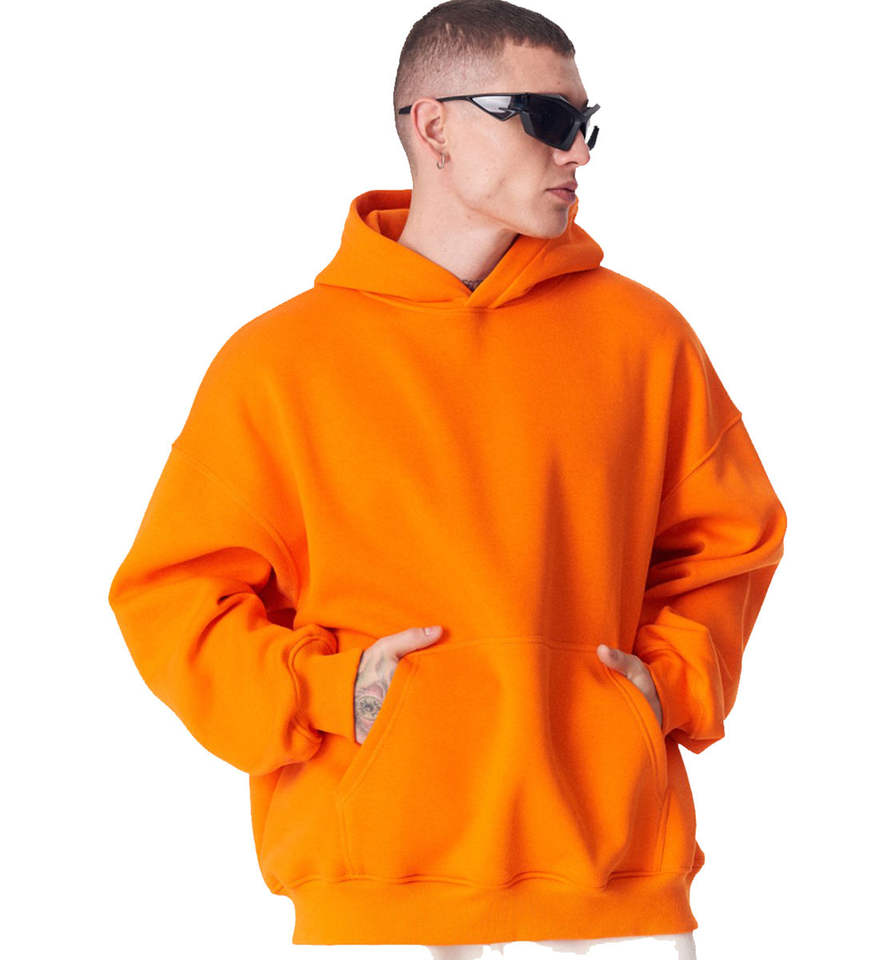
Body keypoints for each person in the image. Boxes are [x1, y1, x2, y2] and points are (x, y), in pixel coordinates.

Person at [108, 1, 787, 955]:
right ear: (433, 127)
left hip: (609, 887)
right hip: (379, 895)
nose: (578, 152)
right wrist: (328, 693)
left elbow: (731, 544)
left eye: (587, 124)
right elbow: (172, 599)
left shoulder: (644, 340)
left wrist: (666, 685)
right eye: (546, 118)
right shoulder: (280, 364)